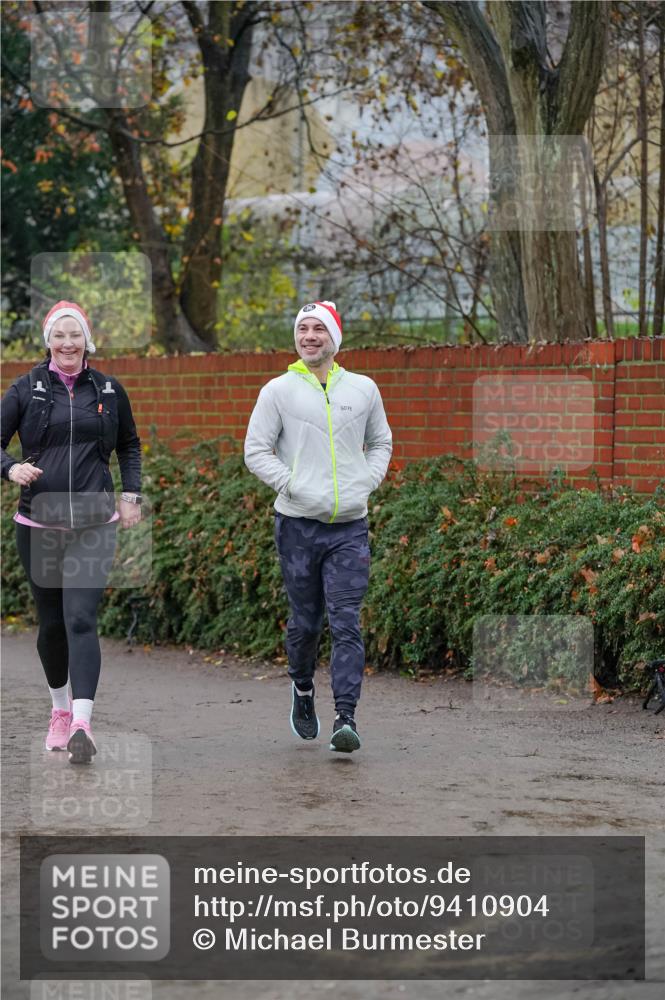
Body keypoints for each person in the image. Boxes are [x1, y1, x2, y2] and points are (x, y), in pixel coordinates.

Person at [244, 300, 392, 753]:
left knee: (346, 621)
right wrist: (292, 484)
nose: (310, 336)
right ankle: (303, 690)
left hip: (349, 527)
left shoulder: (364, 389)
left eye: (319, 329)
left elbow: (381, 441)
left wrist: (365, 481)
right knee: (306, 623)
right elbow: (256, 451)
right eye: (303, 329)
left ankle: (346, 718)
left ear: (334, 338)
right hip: (297, 527)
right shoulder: (278, 391)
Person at [1, 301, 142, 764]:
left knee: (81, 617)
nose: (67, 343)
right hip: (38, 524)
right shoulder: (25, 389)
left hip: (94, 522)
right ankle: (59, 710)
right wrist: (11, 468)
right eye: (59, 336)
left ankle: (82, 722)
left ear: (87, 340)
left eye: (74, 335)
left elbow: (129, 445)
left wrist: (130, 495)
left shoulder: (107, 388)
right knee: (52, 625)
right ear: (48, 341)